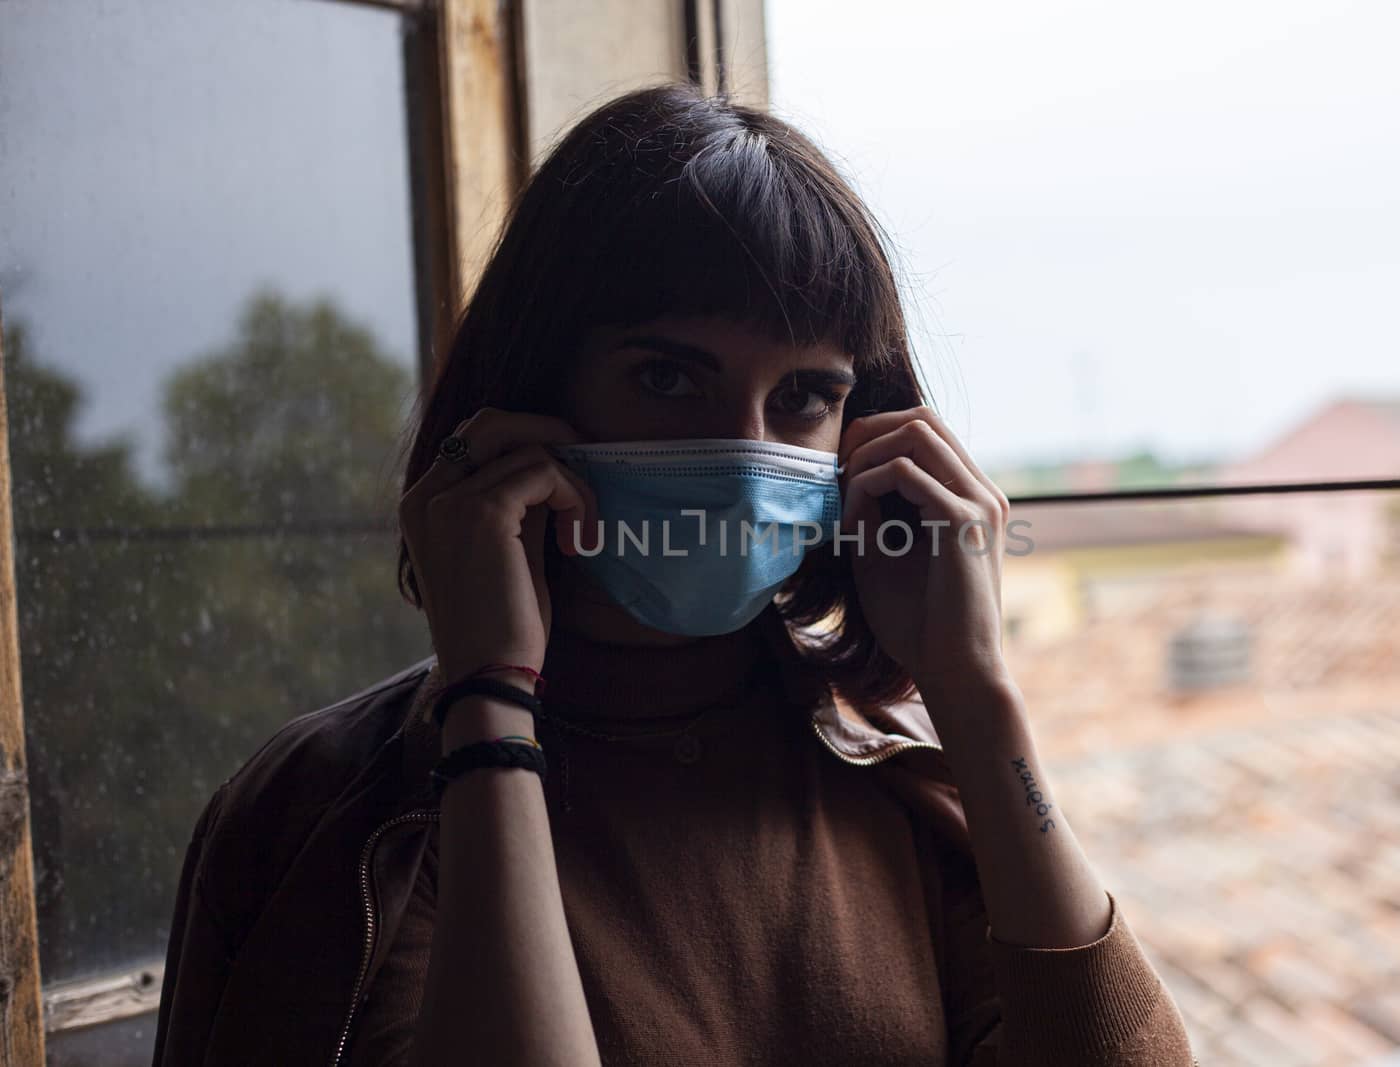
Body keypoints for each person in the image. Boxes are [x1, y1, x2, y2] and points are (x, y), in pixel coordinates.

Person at [151, 80, 1197, 1067]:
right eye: (667, 378)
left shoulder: (893, 795)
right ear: (533, 398)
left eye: (801, 397)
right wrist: (490, 703)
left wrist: (974, 694)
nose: (741, 455)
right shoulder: (333, 816)